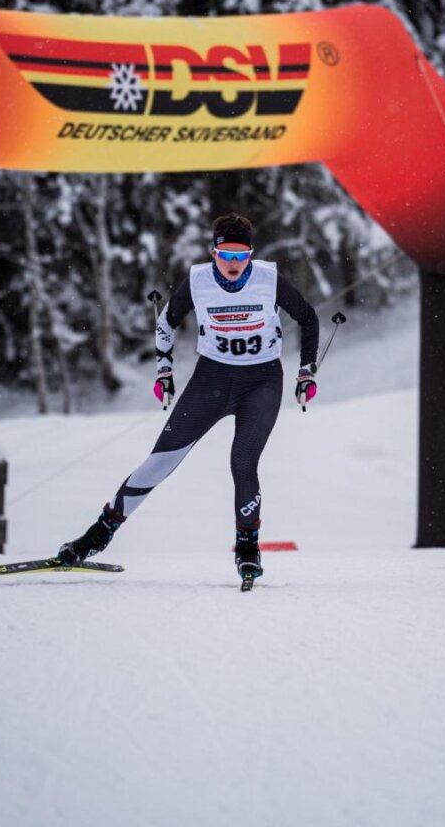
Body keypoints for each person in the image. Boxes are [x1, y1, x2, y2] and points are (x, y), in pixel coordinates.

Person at [58, 213, 319, 583]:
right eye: (225, 254)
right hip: (211, 380)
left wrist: (306, 371)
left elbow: (308, 318)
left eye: (241, 255)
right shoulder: (198, 282)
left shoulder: (268, 279)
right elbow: (166, 323)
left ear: (251, 255)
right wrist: (164, 371)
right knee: (159, 462)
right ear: (213, 252)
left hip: (261, 381)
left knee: (243, 463)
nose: (233, 263)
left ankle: (248, 549)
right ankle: (96, 536)